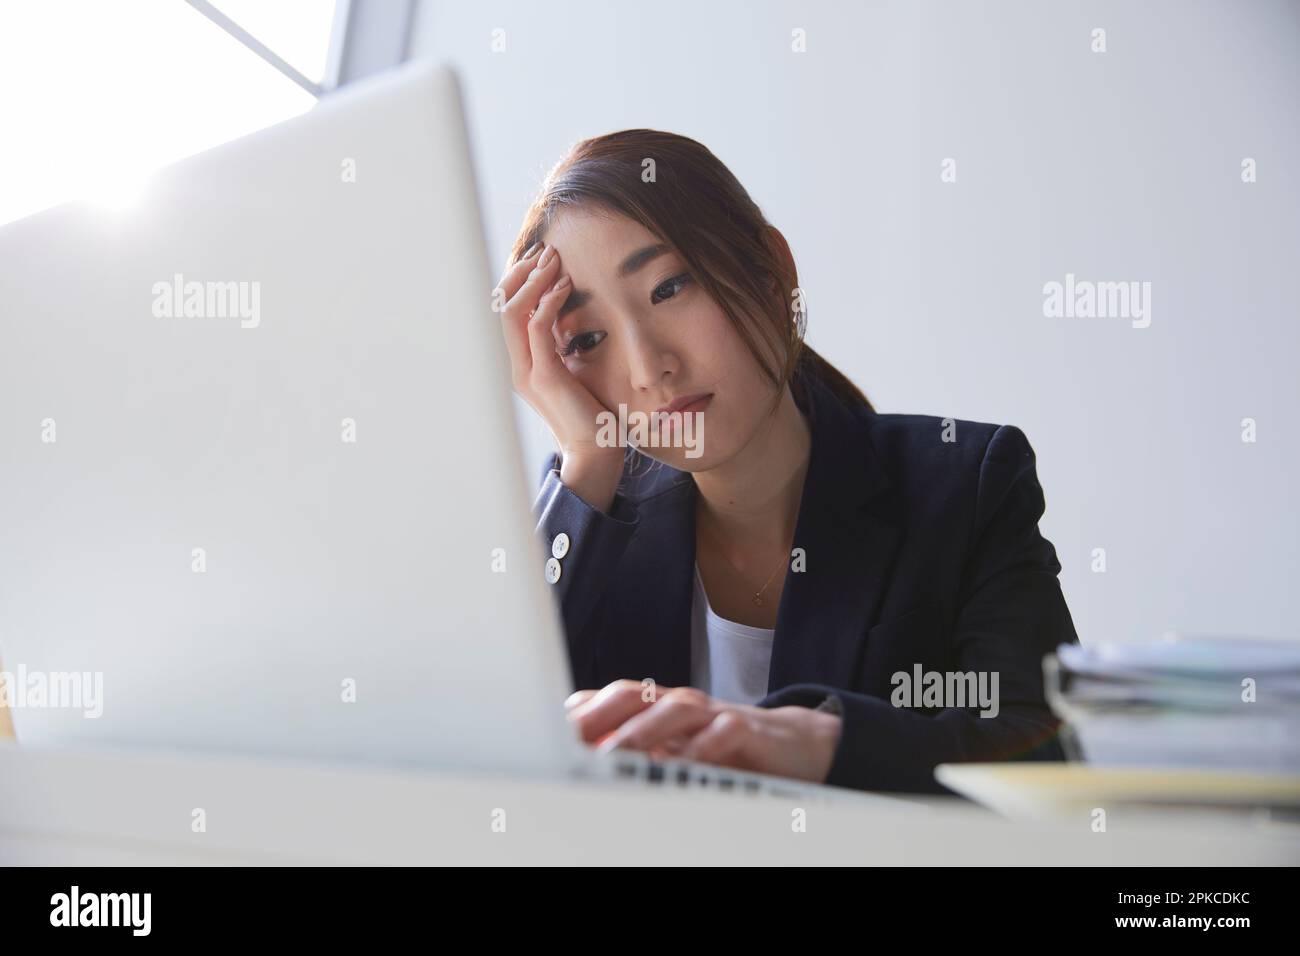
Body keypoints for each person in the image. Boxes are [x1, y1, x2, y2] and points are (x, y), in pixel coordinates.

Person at [496, 129, 1078, 794]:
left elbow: (1047, 756)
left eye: (669, 287)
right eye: (588, 339)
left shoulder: (965, 485)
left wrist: (818, 742)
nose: (648, 367)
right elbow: (487, 757)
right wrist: (587, 458)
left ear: (772, 277)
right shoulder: (588, 517)